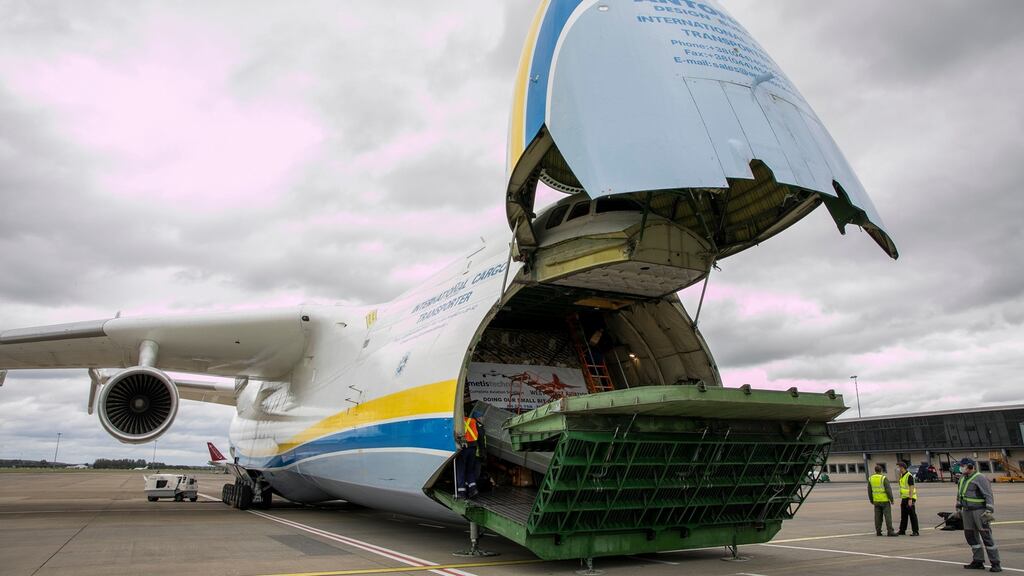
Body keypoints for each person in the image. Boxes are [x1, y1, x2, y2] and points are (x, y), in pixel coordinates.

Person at [956, 458, 1000, 572]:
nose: (961, 468)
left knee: (986, 536)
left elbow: (988, 495)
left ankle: (995, 563)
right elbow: (959, 494)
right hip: (966, 511)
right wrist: (958, 508)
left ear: (970, 466)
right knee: (970, 535)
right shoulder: (962, 478)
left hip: (979, 511)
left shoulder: (980, 478)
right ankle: (978, 561)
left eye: (963, 466)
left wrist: (989, 510)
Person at [456, 406, 483, 499]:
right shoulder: (473, 421)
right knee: (470, 470)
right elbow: (479, 435)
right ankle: (473, 489)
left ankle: (461, 492)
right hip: (473, 448)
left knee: (461, 470)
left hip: (464, 448)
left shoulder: (458, 422)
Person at [868, 464, 897, 536]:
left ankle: (878, 531)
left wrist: (871, 500)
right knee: (887, 516)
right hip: (884, 501)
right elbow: (888, 490)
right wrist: (891, 499)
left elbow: (869, 491)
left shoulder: (871, 478)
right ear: (881, 470)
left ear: (875, 470)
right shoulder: (883, 478)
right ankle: (890, 531)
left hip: (876, 501)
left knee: (877, 517)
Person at [896, 461, 920, 536]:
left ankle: (915, 531)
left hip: (910, 498)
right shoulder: (902, 475)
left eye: (898, 467)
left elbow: (911, 487)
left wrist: (910, 499)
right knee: (904, 515)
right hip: (904, 498)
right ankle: (902, 530)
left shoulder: (909, 476)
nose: (898, 469)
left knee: (912, 515)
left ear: (902, 467)